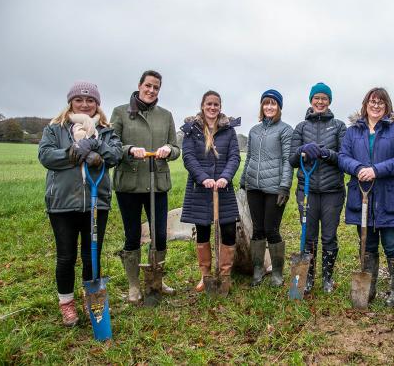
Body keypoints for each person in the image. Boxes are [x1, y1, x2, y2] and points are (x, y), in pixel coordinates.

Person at [38, 81, 122, 326]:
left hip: (97, 203)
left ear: (97, 104)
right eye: (79, 100)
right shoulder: (55, 129)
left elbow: (115, 155)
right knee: (66, 257)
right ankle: (67, 305)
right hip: (62, 203)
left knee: (91, 255)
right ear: (71, 102)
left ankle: (92, 301)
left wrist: (95, 146)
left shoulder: (106, 130)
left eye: (90, 101)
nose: (85, 105)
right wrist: (73, 152)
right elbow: (46, 156)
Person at [338, 87, 394, 307]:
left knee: (392, 244)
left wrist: (377, 170)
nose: (376, 106)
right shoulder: (354, 131)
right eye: (372, 101)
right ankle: (368, 289)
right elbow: (343, 157)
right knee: (367, 244)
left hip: (389, 197)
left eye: (381, 102)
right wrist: (358, 167)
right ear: (365, 104)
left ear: (387, 106)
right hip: (362, 196)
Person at [110, 70, 180, 304]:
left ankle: (156, 281)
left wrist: (169, 151)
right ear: (139, 85)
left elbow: (175, 148)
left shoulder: (166, 115)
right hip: (129, 184)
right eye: (148, 86)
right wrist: (129, 149)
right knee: (132, 236)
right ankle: (133, 286)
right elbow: (111, 146)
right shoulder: (120, 112)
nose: (151, 91)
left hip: (157, 184)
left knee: (159, 235)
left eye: (156, 87)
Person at [180, 90, 241, 295]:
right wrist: (203, 177)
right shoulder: (192, 129)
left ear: (220, 107)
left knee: (229, 230)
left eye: (216, 104)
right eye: (209, 104)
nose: (212, 108)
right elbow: (188, 157)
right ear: (203, 106)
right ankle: (205, 275)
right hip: (201, 189)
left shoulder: (229, 130)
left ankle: (224, 275)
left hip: (223, 189)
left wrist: (225, 177)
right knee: (203, 231)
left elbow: (234, 157)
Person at [289, 82, 346, 294]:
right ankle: (308, 278)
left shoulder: (339, 126)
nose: (320, 101)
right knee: (308, 236)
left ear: (329, 101)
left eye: (324, 98)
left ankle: (328, 278)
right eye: (317, 98)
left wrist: (326, 154)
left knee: (329, 236)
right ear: (311, 100)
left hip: (333, 191)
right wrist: (303, 149)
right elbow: (292, 160)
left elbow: (345, 158)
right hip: (307, 191)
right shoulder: (301, 127)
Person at [240, 89, 293, 287]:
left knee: (272, 229)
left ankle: (277, 272)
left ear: (279, 107)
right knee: (257, 229)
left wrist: (284, 186)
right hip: (254, 187)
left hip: (275, 188)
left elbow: (288, 160)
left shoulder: (286, 130)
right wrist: (244, 181)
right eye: (266, 103)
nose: (269, 107)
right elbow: (250, 158)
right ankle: (258, 269)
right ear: (262, 106)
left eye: (273, 103)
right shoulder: (254, 131)